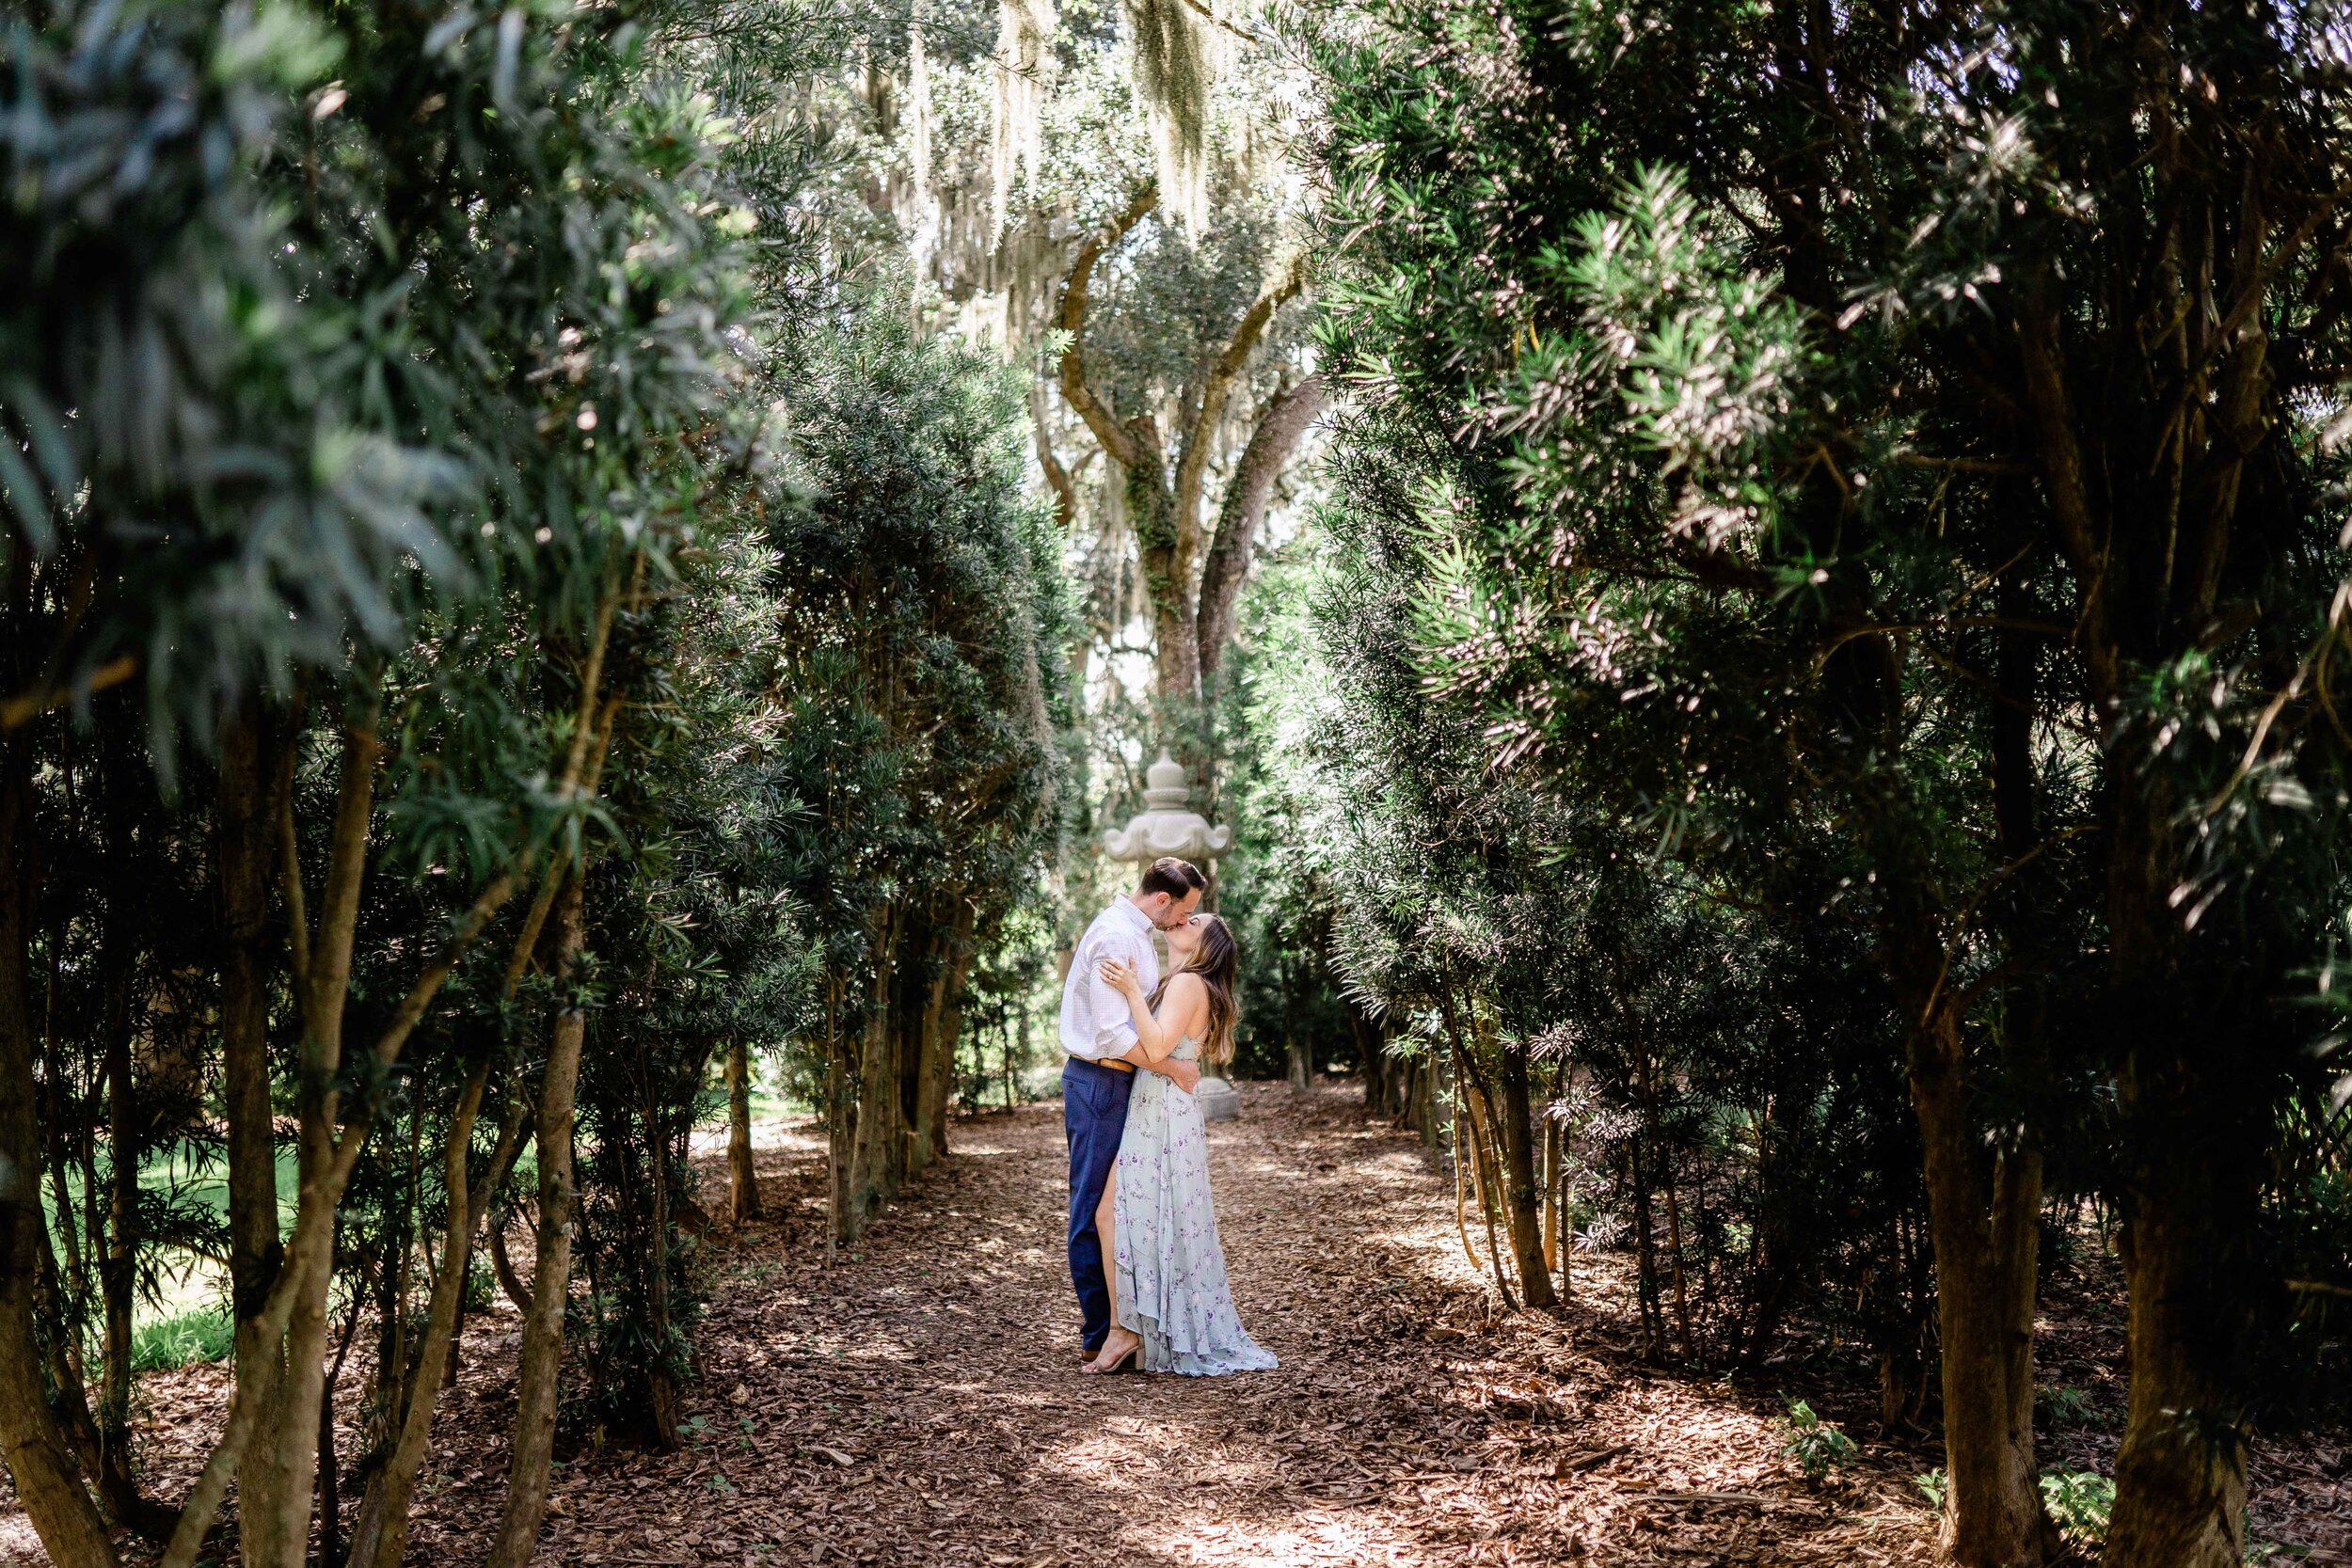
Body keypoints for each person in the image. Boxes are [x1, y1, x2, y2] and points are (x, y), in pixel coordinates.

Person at [1084, 911, 1278, 1376]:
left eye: (1195, 923)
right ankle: (1136, 1327)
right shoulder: (1186, 982)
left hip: (1163, 1112)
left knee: (1116, 1212)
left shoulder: (1188, 984)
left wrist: (1131, 989)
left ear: (1202, 945)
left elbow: (1155, 1050)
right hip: (1162, 1106)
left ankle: (1126, 1330)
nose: (1183, 921)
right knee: (1142, 1214)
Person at [1059, 857, 1206, 1362]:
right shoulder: (1117, 936)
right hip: (1099, 1081)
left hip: (1126, 1084)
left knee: (1121, 1207)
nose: (1183, 922)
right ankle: (1101, 1332)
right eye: (1184, 910)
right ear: (1163, 899)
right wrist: (1172, 1069)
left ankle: (1133, 1323)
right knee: (1093, 1207)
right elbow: (1111, 1034)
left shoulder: (1138, 935)